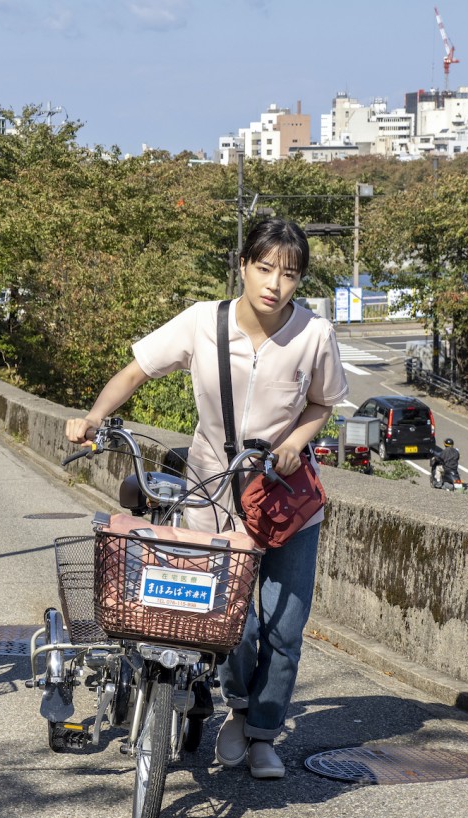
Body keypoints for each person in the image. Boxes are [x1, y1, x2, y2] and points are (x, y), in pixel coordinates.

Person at [64, 218, 348, 779]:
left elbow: (323, 404)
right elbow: (137, 371)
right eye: (264, 268)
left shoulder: (315, 335)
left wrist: (295, 440)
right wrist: (94, 417)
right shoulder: (202, 321)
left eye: (289, 274)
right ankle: (239, 710)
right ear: (242, 265)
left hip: (285, 497)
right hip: (212, 489)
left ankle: (265, 732)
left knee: (285, 627)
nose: (274, 284)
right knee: (229, 619)